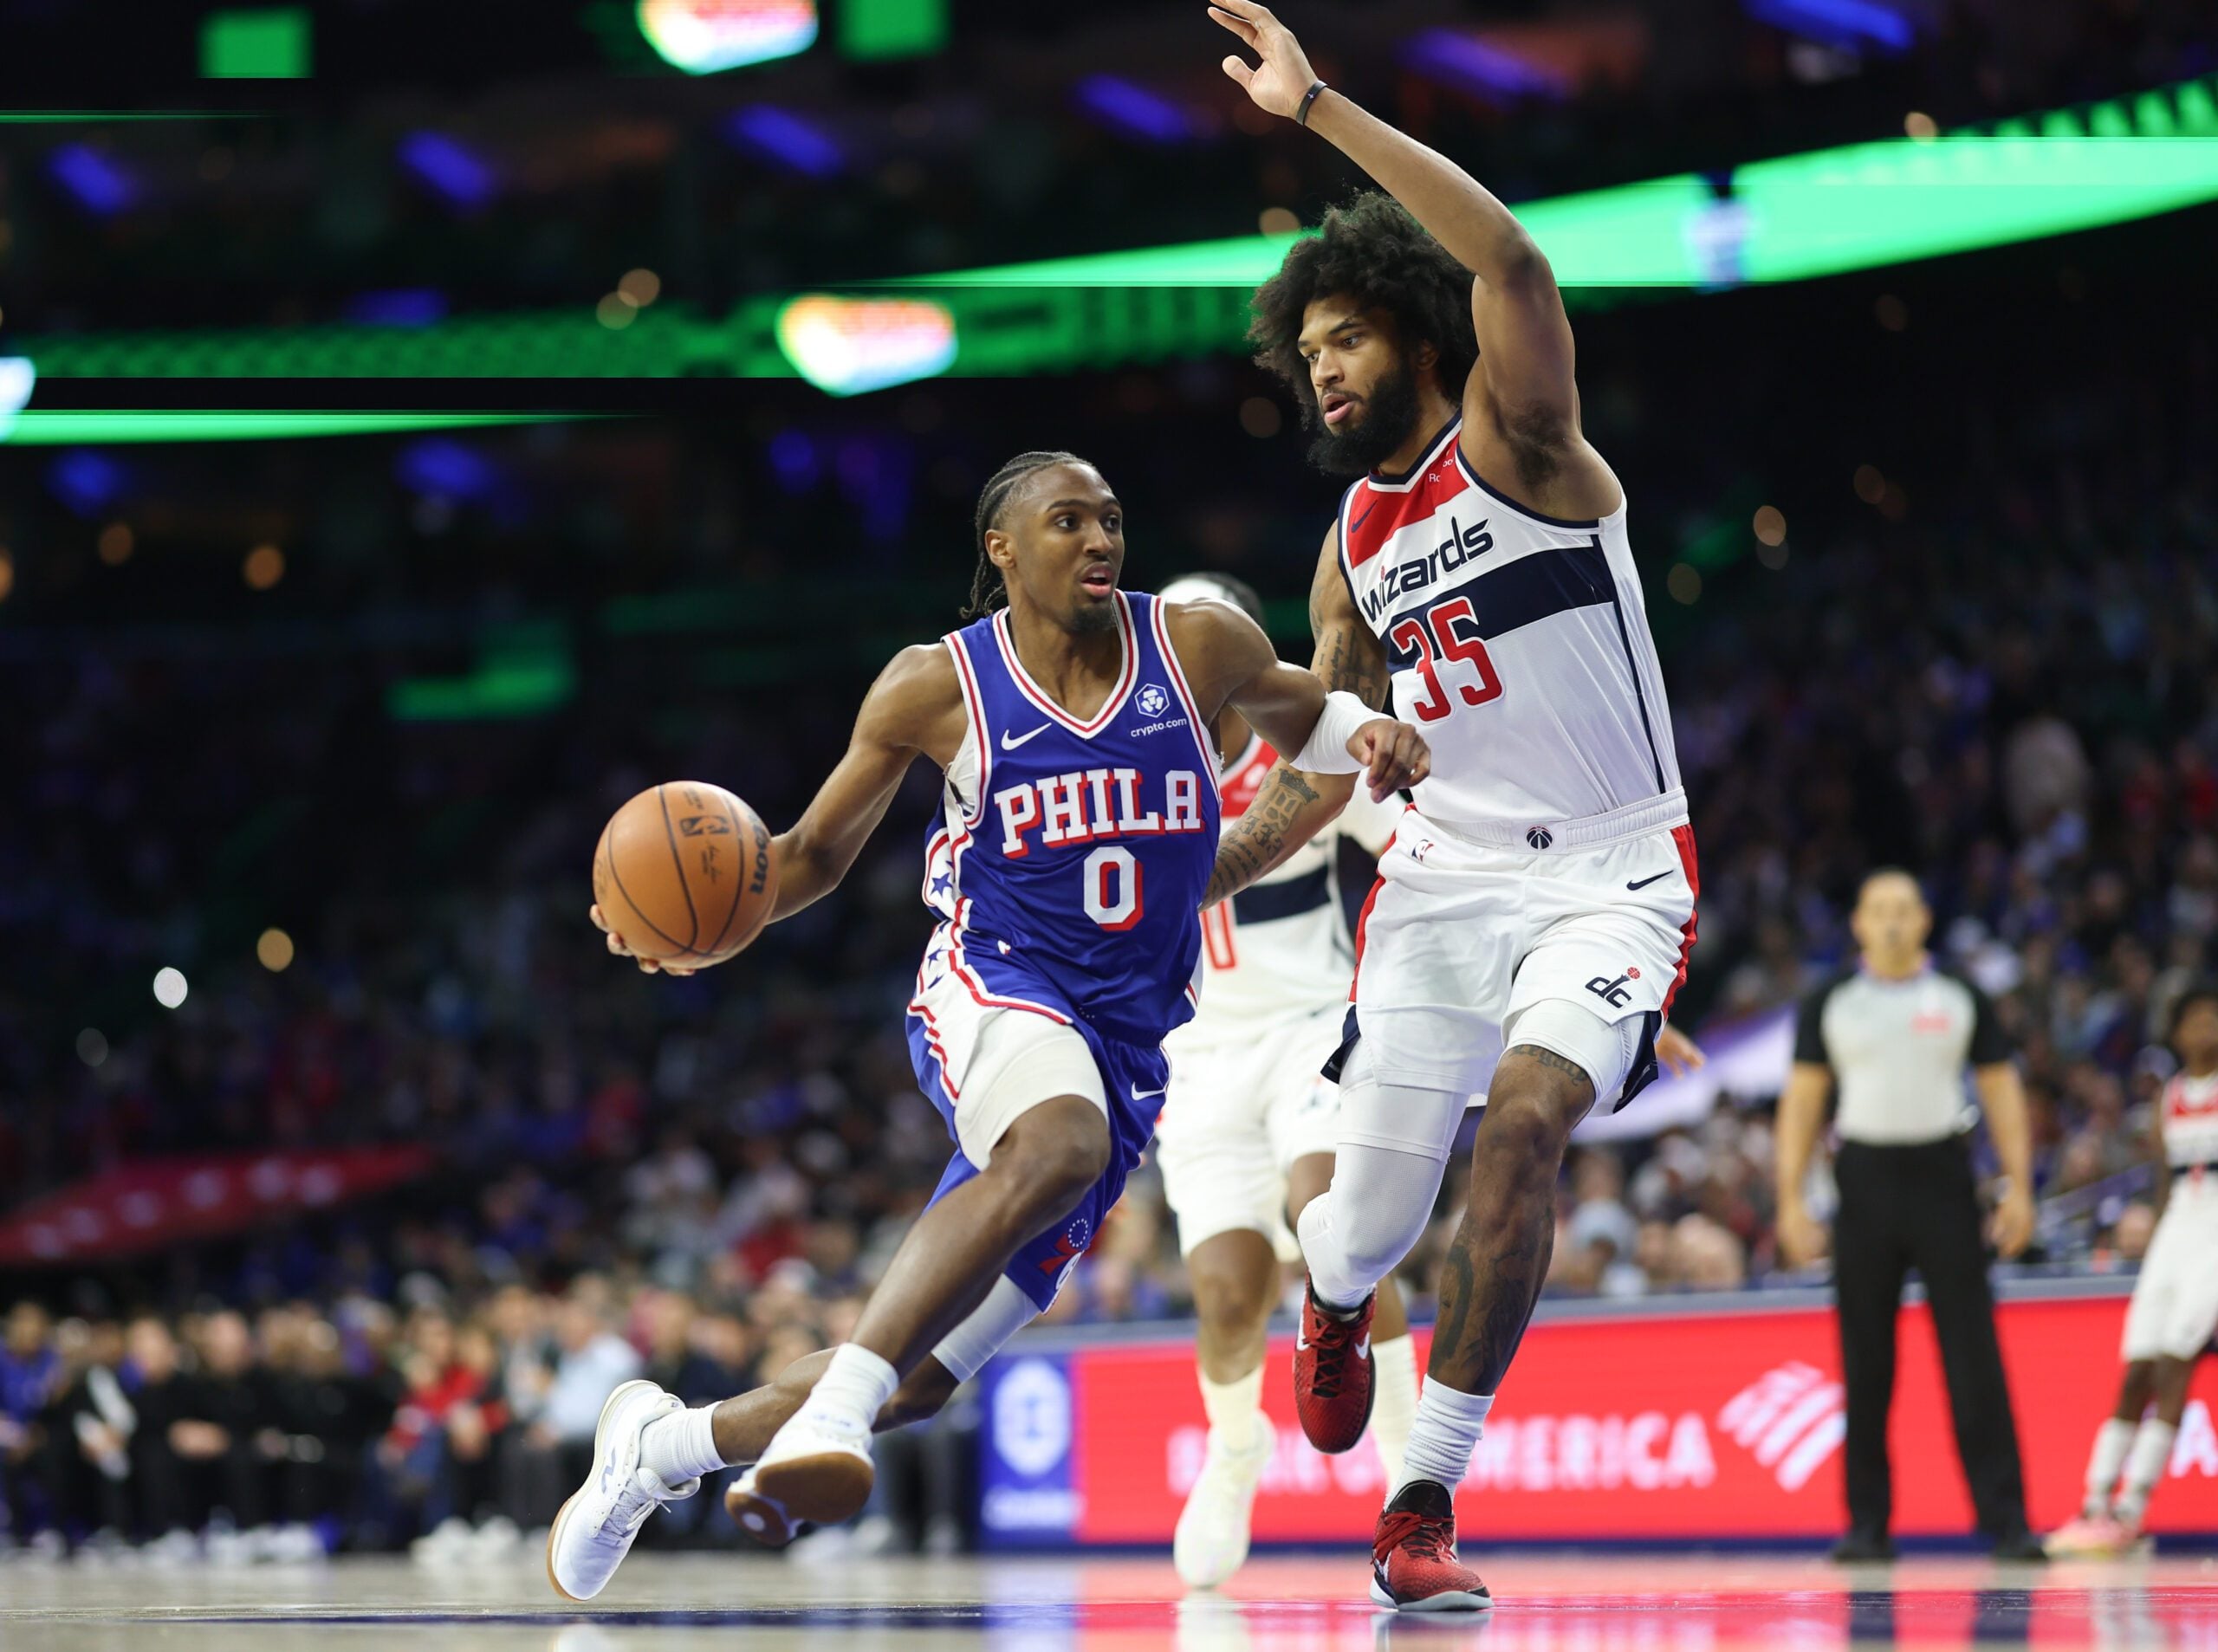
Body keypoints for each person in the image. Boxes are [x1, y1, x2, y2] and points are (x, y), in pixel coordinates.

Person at [547, 449, 1428, 1601]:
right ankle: (842, 1408)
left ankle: (658, 1447)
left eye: (1112, 517)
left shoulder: (1194, 644)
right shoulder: (934, 683)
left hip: (1126, 1047)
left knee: (929, 1379)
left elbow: (1307, 713)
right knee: (1046, 1151)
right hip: (994, 979)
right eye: (1068, 520)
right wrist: (700, 929)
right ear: (1002, 548)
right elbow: (805, 855)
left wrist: (1371, 730)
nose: (1100, 537)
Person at [1201, 0, 1705, 1612]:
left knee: (1536, 1126)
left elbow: (1516, 268)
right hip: (1440, 884)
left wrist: (1320, 107)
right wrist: (1194, 866)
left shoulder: (1525, 441)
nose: (1321, 367)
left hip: (1617, 875)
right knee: (1362, 1226)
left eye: (1341, 337)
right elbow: (1316, 764)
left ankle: (1423, 1495)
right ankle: (1338, 1301)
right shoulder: (1349, 547)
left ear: (1413, 332)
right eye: (1307, 352)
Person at [1150, 571, 1417, 1589]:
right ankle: (1234, 1453)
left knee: (1328, 1221)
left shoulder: (1302, 753)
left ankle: (1411, 1490)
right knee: (1225, 1295)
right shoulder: (1122, 768)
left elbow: (1419, 851)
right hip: (1196, 1061)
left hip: (1309, 1029)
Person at [1775, 869, 2044, 1561]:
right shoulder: (1831, 1000)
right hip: (1862, 1182)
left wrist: (2019, 1186)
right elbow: (1803, 1103)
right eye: (1878, 909)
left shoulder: (1960, 994)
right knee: (1865, 1360)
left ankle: (2008, 1522)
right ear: (1859, 923)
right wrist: (1790, 1201)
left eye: (1904, 909)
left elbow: (2003, 1092)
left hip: (1944, 1179)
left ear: (1925, 919)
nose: (1892, 921)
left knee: (1973, 1356)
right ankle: (1868, 1526)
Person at [2047, 981, 2218, 1557]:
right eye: (2195, 1021)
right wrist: (2160, 1246)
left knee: (2176, 1364)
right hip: (2175, 1233)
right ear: (2176, 1033)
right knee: (2136, 1366)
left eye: (2213, 1019)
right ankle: (2095, 1499)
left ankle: (2132, 1506)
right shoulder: (2169, 1096)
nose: (2205, 1030)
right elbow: (2164, 1177)